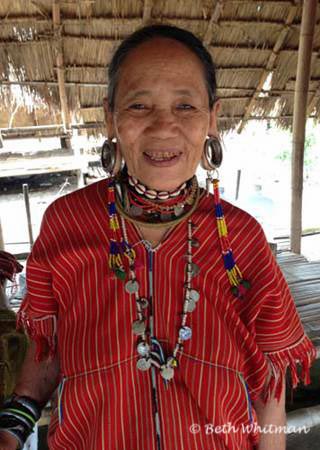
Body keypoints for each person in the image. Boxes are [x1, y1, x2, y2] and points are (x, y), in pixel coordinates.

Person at [0, 24, 316, 450]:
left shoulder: (240, 237)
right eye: (139, 105)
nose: (164, 126)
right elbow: (48, 349)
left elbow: (269, 384)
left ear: (212, 117)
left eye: (186, 105)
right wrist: (13, 428)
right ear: (111, 117)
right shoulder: (66, 223)